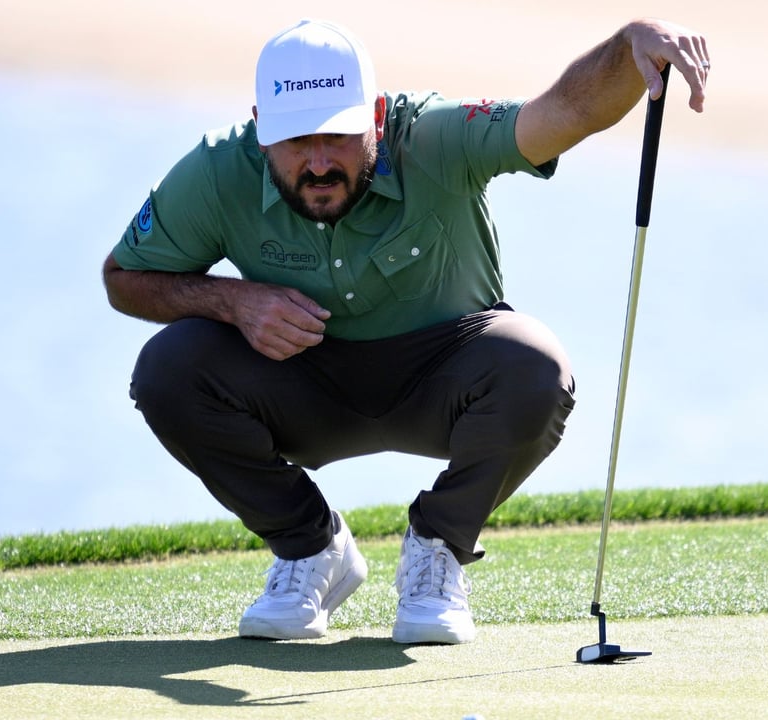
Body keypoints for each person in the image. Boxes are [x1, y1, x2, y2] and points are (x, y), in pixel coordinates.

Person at [102, 17, 709, 644]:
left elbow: (564, 112)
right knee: (168, 369)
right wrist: (232, 301)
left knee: (536, 366)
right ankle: (310, 549)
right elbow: (124, 278)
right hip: (303, 384)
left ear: (377, 113)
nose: (317, 162)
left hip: (445, 378)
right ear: (260, 125)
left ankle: (437, 549)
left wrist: (628, 43)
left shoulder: (434, 135)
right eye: (295, 139)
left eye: (338, 135)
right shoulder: (216, 170)